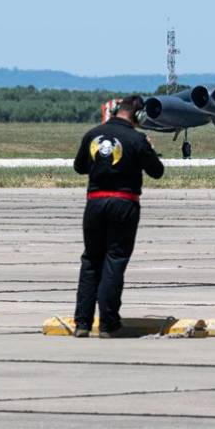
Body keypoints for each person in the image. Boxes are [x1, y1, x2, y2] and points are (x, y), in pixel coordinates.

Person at [72, 95, 164, 338]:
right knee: (115, 260)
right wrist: (149, 149)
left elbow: (79, 167)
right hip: (124, 203)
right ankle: (108, 323)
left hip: (95, 202)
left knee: (91, 261)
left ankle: (82, 323)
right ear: (138, 115)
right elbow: (157, 171)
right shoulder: (137, 139)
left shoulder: (92, 134)